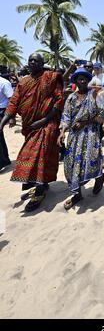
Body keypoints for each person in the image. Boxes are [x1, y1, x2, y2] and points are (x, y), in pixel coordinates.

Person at [0, 53, 64, 212]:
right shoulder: (23, 82)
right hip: (30, 126)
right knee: (35, 155)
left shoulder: (50, 77)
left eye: (36, 60)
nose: (32, 62)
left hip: (47, 124)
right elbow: (13, 102)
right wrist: (1, 124)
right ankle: (41, 183)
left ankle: (40, 190)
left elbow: (59, 100)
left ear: (42, 64)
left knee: (39, 154)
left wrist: (44, 120)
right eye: (30, 60)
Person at [58, 68, 104, 210]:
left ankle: (99, 177)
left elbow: (103, 116)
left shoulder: (95, 97)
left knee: (91, 160)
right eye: (80, 79)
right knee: (71, 164)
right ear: (75, 81)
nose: (83, 81)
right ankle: (77, 194)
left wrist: (86, 122)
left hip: (91, 134)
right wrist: (62, 132)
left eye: (85, 78)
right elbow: (66, 116)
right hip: (74, 135)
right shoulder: (71, 98)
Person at [0, 75, 13, 170]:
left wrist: (11, 116)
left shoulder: (4, 83)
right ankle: (4, 160)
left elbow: (11, 100)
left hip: (2, 111)